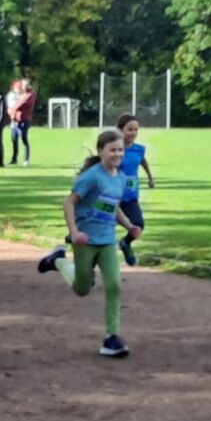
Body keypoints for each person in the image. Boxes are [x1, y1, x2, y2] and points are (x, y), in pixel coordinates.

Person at [36, 130, 142, 357]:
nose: (117, 154)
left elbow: (113, 207)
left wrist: (129, 226)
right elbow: (69, 203)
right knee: (82, 289)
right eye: (112, 150)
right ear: (101, 151)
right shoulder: (92, 177)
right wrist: (74, 232)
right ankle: (58, 261)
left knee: (114, 285)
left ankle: (111, 337)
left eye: (120, 150)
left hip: (107, 241)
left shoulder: (121, 178)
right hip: (85, 240)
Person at [115, 114, 155, 267]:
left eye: (136, 130)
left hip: (130, 196)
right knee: (101, 225)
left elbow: (142, 160)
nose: (133, 133)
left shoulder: (139, 149)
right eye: (129, 129)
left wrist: (150, 177)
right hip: (112, 196)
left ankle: (125, 243)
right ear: (120, 130)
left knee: (138, 224)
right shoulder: (115, 149)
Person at [10, 79, 35, 166]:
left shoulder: (30, 95)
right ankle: (14, 159)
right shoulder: (22, 94)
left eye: (24, 85)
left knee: (24, 139)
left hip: (24, 120)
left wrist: (12, 108)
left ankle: (26, 159)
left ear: (29, 86)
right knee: (14, 139)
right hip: (15, 120)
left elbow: (18, 105)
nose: (22, 86)